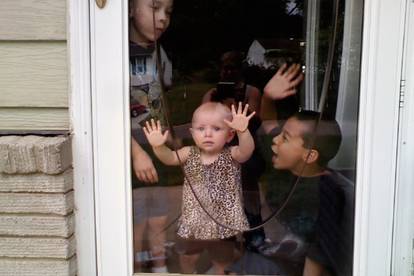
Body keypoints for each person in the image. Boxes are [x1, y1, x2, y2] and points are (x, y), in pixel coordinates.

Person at [143, 102, 255, 274]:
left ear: (230, 134)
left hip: (222, 225)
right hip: (194, 222)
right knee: (187, 259)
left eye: (217, 129)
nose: (208, 134)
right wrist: (158, 146)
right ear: (192, 133)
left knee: (223, 262)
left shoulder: (232, 154)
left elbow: (247, 151)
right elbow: (170, 158)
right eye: (201, 129)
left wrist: (243, 131)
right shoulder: (189, 153)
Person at [260, 110, 353, 276]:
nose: (275, 140)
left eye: (285, 137)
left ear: (309, 156)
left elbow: (319, 252)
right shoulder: (287, 168)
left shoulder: (326, 193)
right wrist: (268, 96)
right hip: (275, 254)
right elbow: (268, 127)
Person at [129, 0, 173, 273]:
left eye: (168, 12)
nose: (163, 18)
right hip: (132, 148)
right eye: (154, 8)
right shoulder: (115, 52)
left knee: (159, 216)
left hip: (157, 144)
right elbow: (105, 111)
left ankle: (160, 268)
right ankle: (131, 266)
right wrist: (135, 152)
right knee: (136, 217)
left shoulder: (159, 51)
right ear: (132, 9)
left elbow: (162, 95)